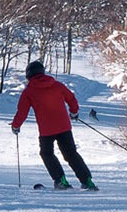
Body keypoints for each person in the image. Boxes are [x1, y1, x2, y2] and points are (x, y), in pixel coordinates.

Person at [10, 59, 96, 191]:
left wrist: (16, 126)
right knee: (71, 154)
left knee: (47, 153)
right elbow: (71, 98)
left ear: (29, 75)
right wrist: (73, 112)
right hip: (64, 126)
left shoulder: (29, 91)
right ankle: (87, 181)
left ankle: (60, 180)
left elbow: (22, 112)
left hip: (46, 130)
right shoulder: (57, 85)